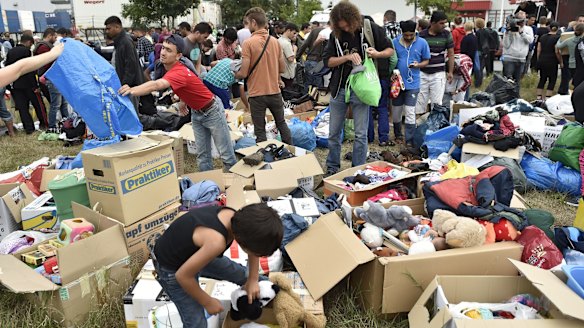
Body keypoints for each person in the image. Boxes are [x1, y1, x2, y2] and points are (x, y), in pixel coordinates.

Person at [151, 203, 283, 327]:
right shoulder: (216, 242)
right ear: (244, 243)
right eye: (256, 252)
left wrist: (253, 279)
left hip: (198, 254)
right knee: (196, 321)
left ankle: (277, 301)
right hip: (172, 269)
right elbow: (183, 276)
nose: (256, 255)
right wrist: (207, 301)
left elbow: (253, 251)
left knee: (246, 276)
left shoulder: (238, 219)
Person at [120, 34, 237, 172]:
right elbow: (187, 86)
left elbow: (157, 84)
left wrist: (132, 90)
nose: (163, 52)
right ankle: (208, 184)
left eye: (169, 50)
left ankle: (234, 185)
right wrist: (183, 101)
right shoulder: (169, 68)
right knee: (202, 155)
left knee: (226, 155)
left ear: (178, 55)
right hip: (196, 112)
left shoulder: (178, 71)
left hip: (212, 111)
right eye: (163, 48)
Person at [322, 1, 393, 176]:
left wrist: (377, 54)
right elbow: (328, 61)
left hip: (362, 87)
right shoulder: (335, 35)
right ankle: (332, 168)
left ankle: (358, 169)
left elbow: (390, 50)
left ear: (353, 18)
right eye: (341, 27)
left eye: (347, 25)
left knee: (361, 134)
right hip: (339, 87)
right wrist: (346, 57)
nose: (345, 29)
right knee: (333, 133)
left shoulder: (370, 27)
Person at [235, 7, 292, 145]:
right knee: (281, 123)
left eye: (248, 23)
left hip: (257, 94)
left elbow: (243, 72)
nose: (247, 27)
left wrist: (234, 73)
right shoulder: (275, 42)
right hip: (275, 92)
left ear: (253, 23)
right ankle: (290, 151)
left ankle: (265, 157)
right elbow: (283, 68)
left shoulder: (248, 43)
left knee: (260, 131)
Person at [392, 20, 430, 146]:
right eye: (406, 35)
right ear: (401, 33)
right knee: (396, 112)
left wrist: (418, 65)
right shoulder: (395, 42)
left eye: (411, 35)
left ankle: (409, 140)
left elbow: (426, 60)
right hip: (397, 83)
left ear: (415, 32)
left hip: (413, 83)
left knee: (409, 112)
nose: (408, 37)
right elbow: (391, 60)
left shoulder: (422, 43)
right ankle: (398, 135)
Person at [5, 34, 48, 134]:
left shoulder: (11, 51)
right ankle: (43, 124)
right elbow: (30, 69)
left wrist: (9, 85)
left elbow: (7, 67)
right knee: (38, 105)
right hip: (29, 84)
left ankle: (29, 128)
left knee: (23, 108)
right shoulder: (26, 51)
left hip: (15, 84)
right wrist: (35, 85)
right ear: (29, 42)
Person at [416, 11, 454, 115]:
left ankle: (434, 126)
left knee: (437, 103)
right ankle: (420, 125)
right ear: (432, 23)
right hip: (422, 73)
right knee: (420, 102)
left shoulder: (446, 34)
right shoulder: (421, 36)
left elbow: (451, 53)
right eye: (441, 23)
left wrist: (450, 72)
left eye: (445, 23)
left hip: (438, 73)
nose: (444, 26)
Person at [105, 16, 144, 112]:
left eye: (109, 28)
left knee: (131, 114)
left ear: (117, 27)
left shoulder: (125, 42)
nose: (107, 31)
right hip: (124, 87)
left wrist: (125, 85)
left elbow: (131, 66)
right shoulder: (119, 42)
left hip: (129, 87)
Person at [35, 28, 69, 131]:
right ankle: (52, 126)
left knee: (63, 103)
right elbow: (48, 63)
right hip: (52, 78)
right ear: (49, 36)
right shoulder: (43, 47)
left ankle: (66, 122)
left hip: (56, 78)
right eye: (54, 37)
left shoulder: (46, 46)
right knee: (56, 104)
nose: (55, 39)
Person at [502, 12, 534, 94]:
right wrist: (508, 33)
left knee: (517, 81)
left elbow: (530, 41)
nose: (522, 22)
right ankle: (505, 97)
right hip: (509, 58)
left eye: (523, 20)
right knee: (507, 81)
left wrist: (522, 33)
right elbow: (506, 45)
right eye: (520, 20)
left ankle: (515, 97)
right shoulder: (510, 29)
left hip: (521, 59)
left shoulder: (528, 29)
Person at [296, 23, 327, 94]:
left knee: (307, 83)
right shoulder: (329, 33)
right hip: (320, 62)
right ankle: (318, 100)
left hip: (310, 59)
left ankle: (305, 99)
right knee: (319, 84)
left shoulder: (314, 31)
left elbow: (304, 44)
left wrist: (298, 56)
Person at [536, 21, 561, 100]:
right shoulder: (558, 37)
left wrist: (538, 59)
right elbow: (557, 51)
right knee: (552, 80)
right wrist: (560, 61)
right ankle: (547, 98)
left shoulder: (543, 37)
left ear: (549, 28)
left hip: (542, 59)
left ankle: (538, 98)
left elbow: (538, 49)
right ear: (558, 29)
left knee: (542, 79)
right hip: (552, 61)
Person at [556, 23, 584, 94]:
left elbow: (558, 46)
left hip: (571, 63)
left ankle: (566, 92)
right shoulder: (582, 42)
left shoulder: (569, 40)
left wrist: (560, 38)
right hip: (580, 65)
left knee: (568, 79)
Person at [278, 23, 299, 90]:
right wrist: (295, 50)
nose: (294, 35)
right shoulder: (286, 43)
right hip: (287, 74)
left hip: (280, 73)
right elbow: (291, 58)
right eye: (294, 33)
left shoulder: (278, 40)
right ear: (288, 31)